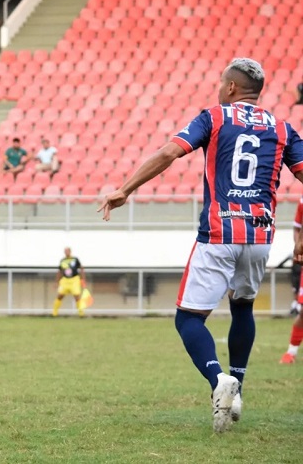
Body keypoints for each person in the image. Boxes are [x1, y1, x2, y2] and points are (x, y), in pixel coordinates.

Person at [99, 57, 303, 433]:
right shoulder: (283, 128)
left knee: (189, 318)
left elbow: (168, 153)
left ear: (230, 88)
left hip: (220, 231)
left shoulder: (214, 116)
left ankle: (218, 380)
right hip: (260, 236)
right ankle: (237, 386)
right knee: (243, 308)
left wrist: (124, 189)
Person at [52, 247, 86, 317]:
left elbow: (81, 268)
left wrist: (83, 279)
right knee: (60, 295)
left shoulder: (75, 259)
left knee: (77, 296)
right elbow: (60, 271)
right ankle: (54, 313)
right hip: (65, 280)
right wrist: (57, 282)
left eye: (67, 251)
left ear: (70, 251)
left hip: (74, 280)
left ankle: (81, 313)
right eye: (65, 251)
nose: (66, 252)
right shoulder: (63, 260)